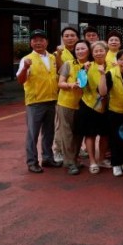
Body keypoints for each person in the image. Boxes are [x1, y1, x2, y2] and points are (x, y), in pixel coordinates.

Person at [17, 29, 61, 173]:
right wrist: (25, 68)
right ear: (31, 43)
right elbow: (20, 80)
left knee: (49, 133)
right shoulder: (27, 59)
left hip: (51, 100)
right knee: (33, 134)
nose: (38, 43)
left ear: (46, 42)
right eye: (35, 40)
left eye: (41, 40)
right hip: (35, 102)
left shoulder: (53, 58)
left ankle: (48, 158)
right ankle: (32, 162)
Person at [98, 49, 123, 177]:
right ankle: (116, 164)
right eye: (121, 59)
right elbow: (103, 92)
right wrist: (103, 75)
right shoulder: (111, 73)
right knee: (115, 139)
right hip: (115, 111)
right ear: (117, 61)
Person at [56, 39, 90, 175]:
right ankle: (70, 163)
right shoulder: (68, 64)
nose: (80, 51)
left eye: (83, 48)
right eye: (77, 49)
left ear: (88, 50)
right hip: (66, 103)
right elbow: (60, 83)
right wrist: (70, 85)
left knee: (79, 133)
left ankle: (74, 159)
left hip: (84, 105)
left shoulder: (92, 65)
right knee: (67, 134)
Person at [79, 41, 110, 174]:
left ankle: (102, 159)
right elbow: (80, 84)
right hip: (89, 105)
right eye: (95, 51)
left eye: (101, 50)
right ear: (92, 53)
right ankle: (92, 161)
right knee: (90, 134)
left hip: (107, 105)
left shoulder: (112, 66)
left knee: (105, 134)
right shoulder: (86, 66)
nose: (98, 53)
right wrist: (83, 71)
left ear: (106, 51)